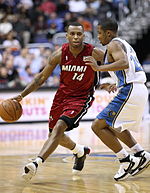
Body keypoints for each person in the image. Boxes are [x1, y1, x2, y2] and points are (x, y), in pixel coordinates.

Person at [12, 22, 104, 181]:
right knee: (54, 134)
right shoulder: (59, 54)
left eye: (79, 34)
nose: (76, 37)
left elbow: (116, 64)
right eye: (72, 34)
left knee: (59, 127)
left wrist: (110, 81)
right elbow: (40, 78)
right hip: (61, 97)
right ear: (67, 36)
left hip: (81, 97)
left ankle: (36, 162)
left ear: (84, 36)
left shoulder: (94, 53)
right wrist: (22, 95)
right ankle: (79, 151)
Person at [84, 18, 150, 181]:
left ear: (108, 33)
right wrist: (115, 82)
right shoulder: (121, 44)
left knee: (97, 126)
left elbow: (124, 63)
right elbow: (127, 68)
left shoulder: (113, 43)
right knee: (112, 124)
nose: (98, 36)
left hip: (131, 89)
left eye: (99, 33)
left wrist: (98, 68)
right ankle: (141, 154)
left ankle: (126, 160)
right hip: (134, 88)